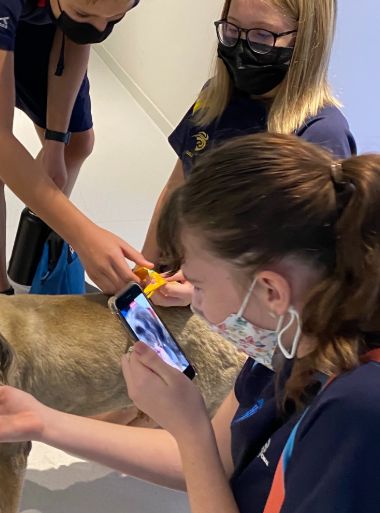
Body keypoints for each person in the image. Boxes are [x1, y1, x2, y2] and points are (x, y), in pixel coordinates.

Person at [0, 134, 380, 513]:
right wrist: (43, 422)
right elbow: (209, 461)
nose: (192, 304)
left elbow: (202, 453)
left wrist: (190, 430)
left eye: (198, 284)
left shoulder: (356, 414)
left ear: (270, 291)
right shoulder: (290, 339)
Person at [0, 0, 151, 293]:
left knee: (76, 143)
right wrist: (83, 234)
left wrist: (55, 140)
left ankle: (35, 258)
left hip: (42, 11)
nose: (100, 27)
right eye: (83, 13)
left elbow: (76, 37)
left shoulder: (86, 10)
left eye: (115, 17)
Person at [142, 0, 356, 307]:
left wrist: (203, 291)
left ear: (305, 38)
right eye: (231, 31)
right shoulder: (216, 97)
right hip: (179, 285)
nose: (241, 49)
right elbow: (176, 189)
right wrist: (145, 271)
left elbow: (303, 274)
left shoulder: (321, 135)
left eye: (261, 36)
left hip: (240, 315)